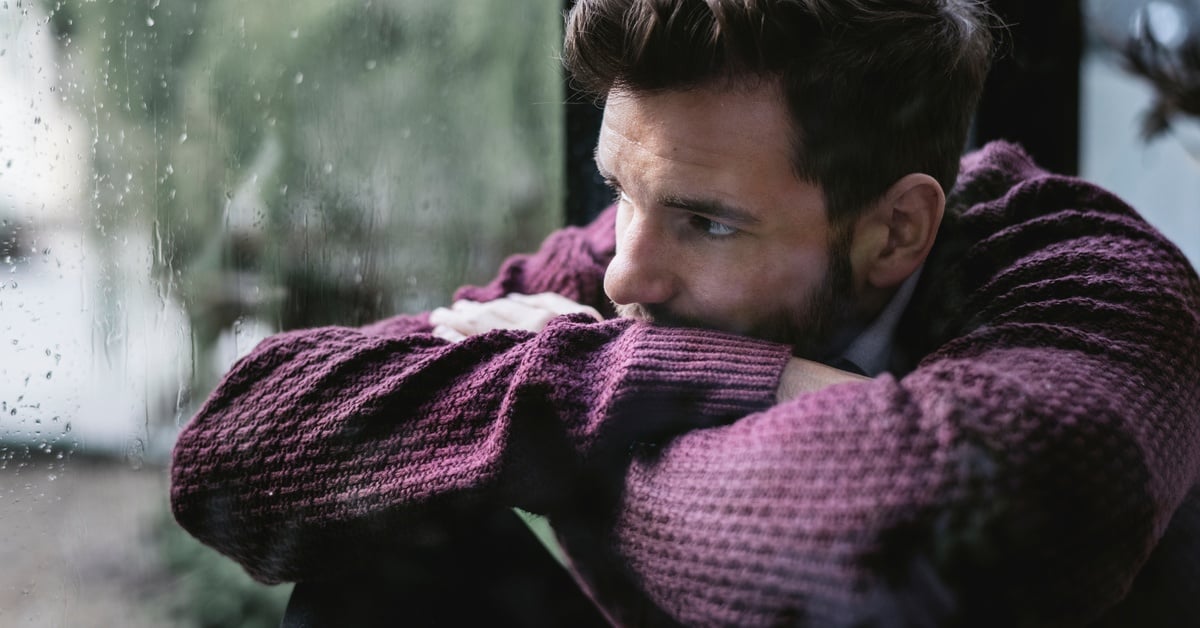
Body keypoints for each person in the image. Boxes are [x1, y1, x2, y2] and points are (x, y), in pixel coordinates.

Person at [170, 0, 1200, 626]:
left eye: (707, 223)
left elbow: (913, 549)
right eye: (619, 191)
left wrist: (543, 437)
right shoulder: (625, 270)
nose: (624, 278)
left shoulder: (1091, 281)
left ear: (893, 232)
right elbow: (235, 456)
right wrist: (628, 376)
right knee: (377, 577)